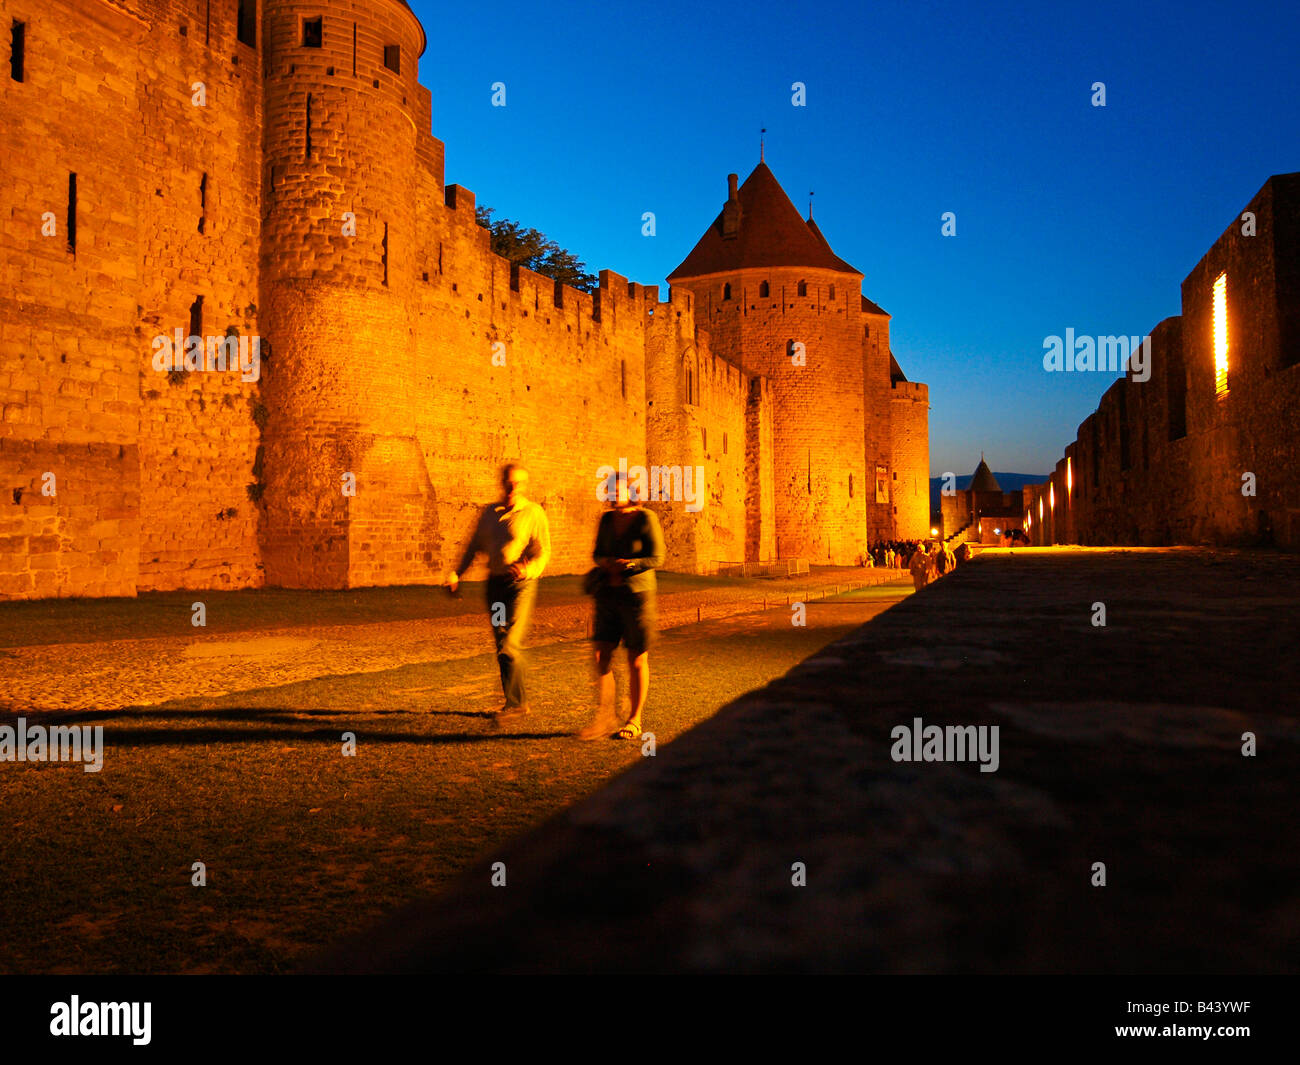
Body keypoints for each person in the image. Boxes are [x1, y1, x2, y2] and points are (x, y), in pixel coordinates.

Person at [447, 463, 551, 726]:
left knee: (510, 644)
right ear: (502, 482)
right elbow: (473, 546)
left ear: (525, 485)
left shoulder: (533, 513)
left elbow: (543, 551)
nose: (512, 487)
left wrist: (528, 569)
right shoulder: (489, 514)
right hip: (494, 587)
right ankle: (514, 702)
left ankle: (516, 704)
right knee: (501, 644)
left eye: (518, 483)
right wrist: (458, 574)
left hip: (520, 587)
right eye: (508, 482)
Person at [577, 470, 665, 741]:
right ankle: (605, 715)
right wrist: (606, 563)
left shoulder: (645, 518)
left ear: (632, 491)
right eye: (611, 488)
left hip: (637, 595)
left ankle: (634, 719)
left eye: (620, 488)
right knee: (601, 656)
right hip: (607, 594)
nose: (615, 493)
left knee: (636, 659)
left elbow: (657, 557)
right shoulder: (605, 519)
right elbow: (596, 553)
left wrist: (631, 564)